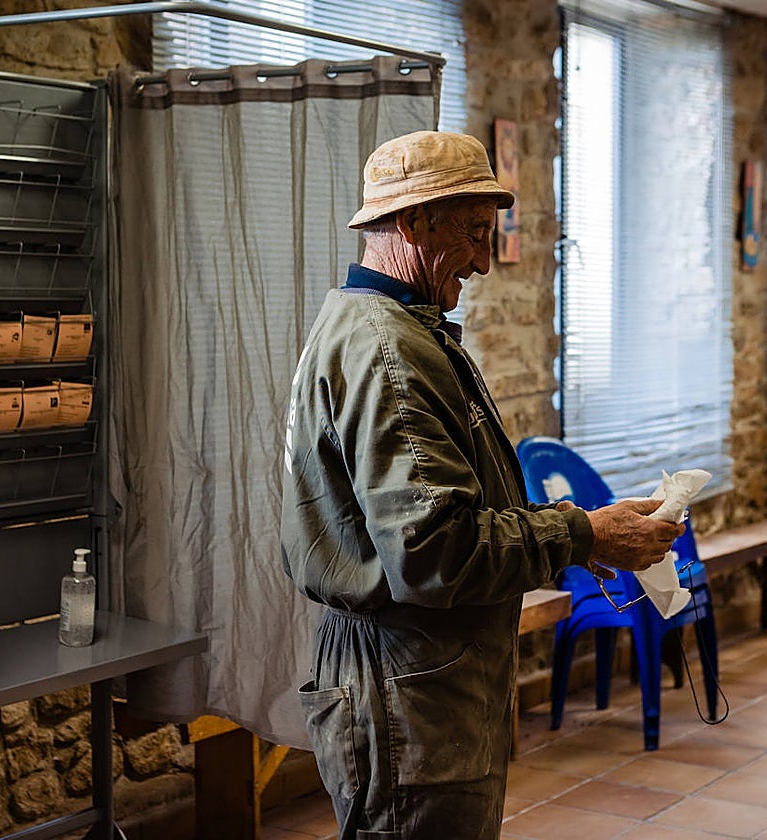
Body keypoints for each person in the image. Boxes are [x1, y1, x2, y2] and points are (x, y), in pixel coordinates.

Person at [280, 130, 685, 839]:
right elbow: (435, 549)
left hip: (418, 678)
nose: (481, 261)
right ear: (412, 223)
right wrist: (582, 531)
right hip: (405, 689)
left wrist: (583, 538)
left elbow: (451, 509)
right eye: (471, 234)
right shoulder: (389, 353)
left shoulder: (393, 328)